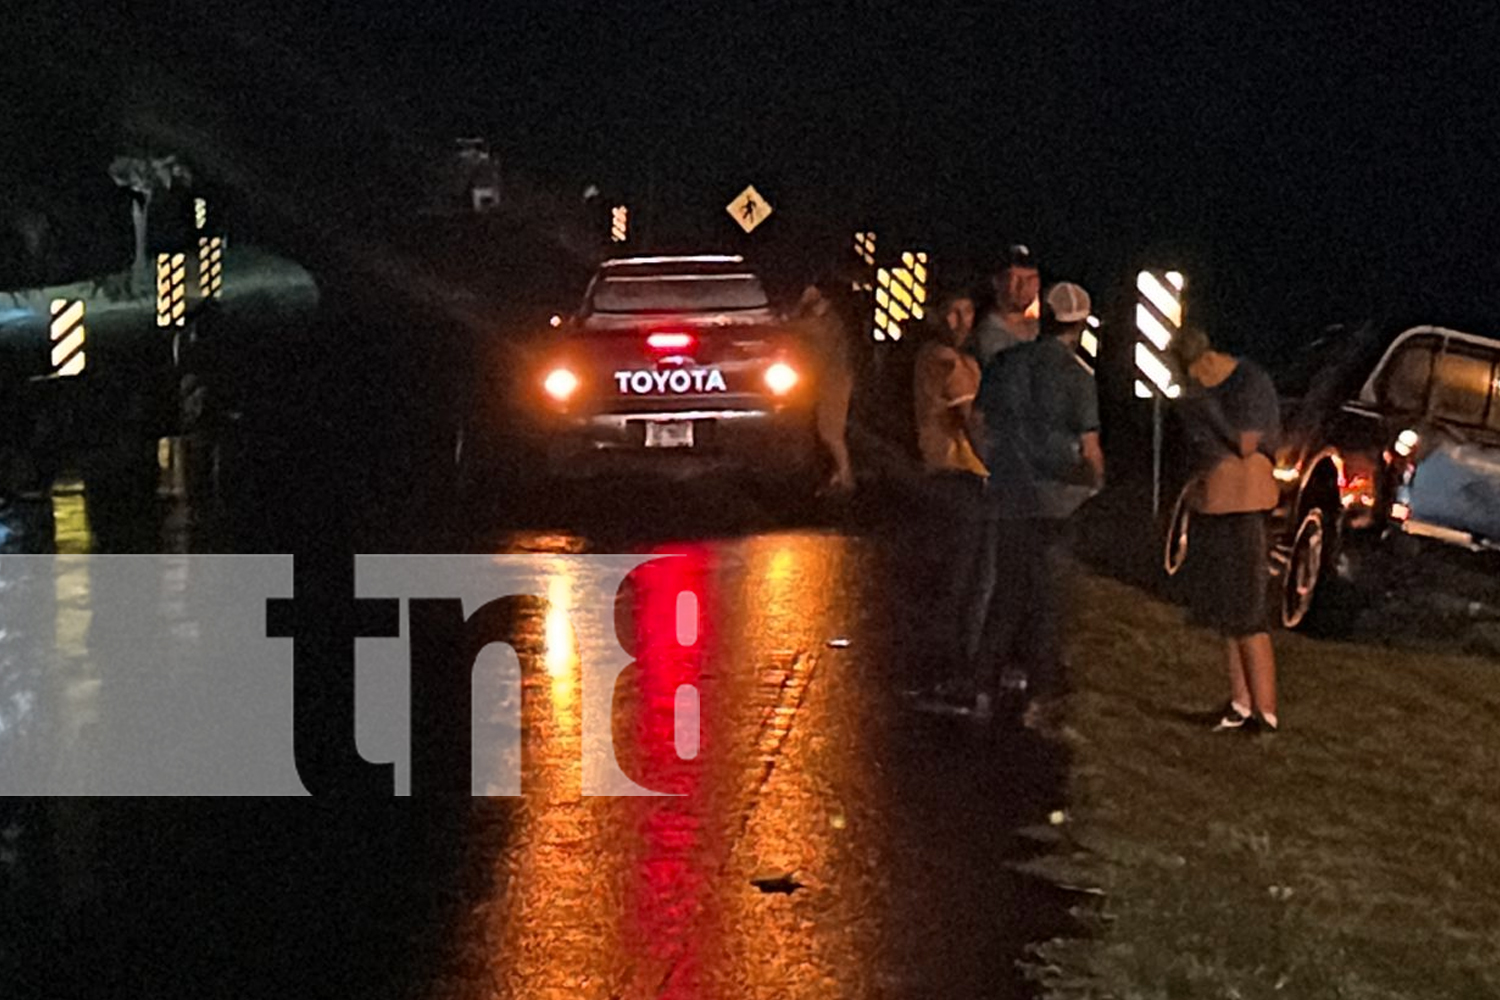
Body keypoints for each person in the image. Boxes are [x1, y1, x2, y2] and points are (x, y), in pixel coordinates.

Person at [964, 281, 1104, 726]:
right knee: (1046, 600)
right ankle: (1036, 696)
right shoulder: (1078, 376)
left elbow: (978, 421)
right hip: (1057, 502)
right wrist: (1096, 484)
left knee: (1006, 592)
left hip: (1009, 494)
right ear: (1078, 325)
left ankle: (983, 686)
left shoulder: (1005, 363)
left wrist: (991, 462)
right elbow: (1089, 447)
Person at [1170, 326, 1282, 734]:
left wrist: (1206, 406)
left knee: (1250, 612)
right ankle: (1239, 704)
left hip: (1246, 510)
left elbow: (1246, 443)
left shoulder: (1249, 382)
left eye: (1198, 370)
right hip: (1215, 508)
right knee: (1228, 613)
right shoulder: (1194, 394)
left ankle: (1265, 713)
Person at [906, 290, 989, 691]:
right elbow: (971, 421)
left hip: (950, 476)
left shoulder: (943, 358)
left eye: (968, 310)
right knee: (961, 581)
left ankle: (945, 665)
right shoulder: (944, 360)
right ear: (937, 314)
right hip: (957, 476)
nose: (961, 320)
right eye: (952, 311)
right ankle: (949, 669)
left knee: (955, 578)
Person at [793, 277, 857, 495]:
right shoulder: (827, 319)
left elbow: (800, 327)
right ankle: (838, 474)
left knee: (830, 432)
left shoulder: (825, 322)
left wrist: (801, 308)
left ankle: (846, 475)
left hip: (835, 380)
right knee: (825, 431)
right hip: (827, 379)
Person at [971, 245, 1041, 366]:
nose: (1023, 287)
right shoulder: (987, 334)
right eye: (1016, 279)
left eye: (1030, 279)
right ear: (997, 281)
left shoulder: (1042, 328)